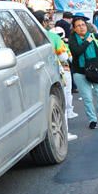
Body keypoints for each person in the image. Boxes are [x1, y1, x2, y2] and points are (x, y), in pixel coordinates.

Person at [68, 16, 98, 129]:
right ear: (74, 29)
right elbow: (77, 52)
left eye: (83, 25)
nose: (81, 27)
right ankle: (92, 119)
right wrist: (87, 41)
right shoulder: (72, 40)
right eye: (78, 26)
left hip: (97, 70)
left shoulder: (94, 36)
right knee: (87, 98)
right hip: (80, 72)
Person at [35, 11, 78, 141]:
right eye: (47, 20)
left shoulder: (23, 37)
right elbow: (64, 56)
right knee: (60, 104)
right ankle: (63, 133)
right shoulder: (53, 37)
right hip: (56, 75)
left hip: (35, 78)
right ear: (43, 22)